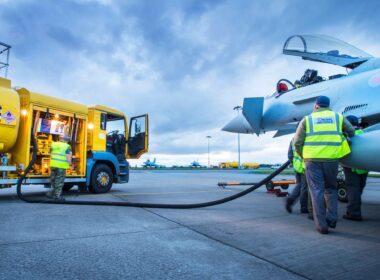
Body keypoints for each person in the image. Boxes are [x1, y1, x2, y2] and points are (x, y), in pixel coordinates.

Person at [294, 96, 355, 234]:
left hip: (312, 160)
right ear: (328, 105)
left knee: (316, 191)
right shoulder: (338, 117)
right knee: (331, 190)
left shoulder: (307, 119)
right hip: (331, 160)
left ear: (316, 106)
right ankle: (332, 219)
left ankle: (322, 225)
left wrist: (303, 156)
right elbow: (351, 131)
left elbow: (297, 142)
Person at [342, 115, 368, 221]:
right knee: (359, 189)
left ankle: (354, 213)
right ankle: (354, 209)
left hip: (351, 167)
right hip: (364, 167)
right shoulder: (364, 133)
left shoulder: (347, 135)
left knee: (353, 190)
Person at [46, 134, 73, 201]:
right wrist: (70, 164)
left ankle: (51, 193)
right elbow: (67, 156)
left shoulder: (53, 144)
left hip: (53, 165)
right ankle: (57, 197)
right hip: (61, 166)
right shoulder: (67, 146)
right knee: (59, 181)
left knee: (53, 180)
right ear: (66, 140)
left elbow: (49, 153)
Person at [285, 138, 308, 214]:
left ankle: (291, 199)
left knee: (299, 185)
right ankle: (304, 207)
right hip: (304, 166)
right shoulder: (306, 138)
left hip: (296, 166)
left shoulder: (293, 139)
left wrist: (294, 163)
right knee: (304, 187)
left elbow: (290, 155)